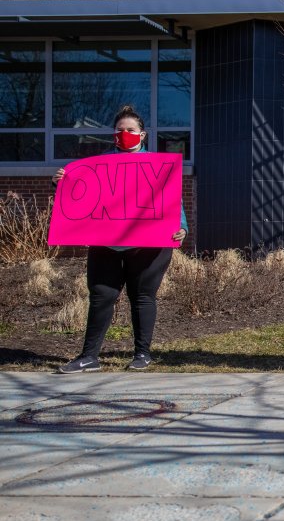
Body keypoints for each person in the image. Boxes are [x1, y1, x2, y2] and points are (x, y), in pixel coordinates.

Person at [54, 105, 188, 374]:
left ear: (143, 135)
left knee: (142, 296)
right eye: (120, 130)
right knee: (101, 296)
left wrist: (181, 228)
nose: (125, 134)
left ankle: (142, 354)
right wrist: (62, 182)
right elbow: (82, 200)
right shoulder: (96, 166)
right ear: (113, 135)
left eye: (131, 130)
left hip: (149, 245)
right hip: (107, 244)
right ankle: (89, 357)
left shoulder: (158, 166)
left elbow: (173, 202)